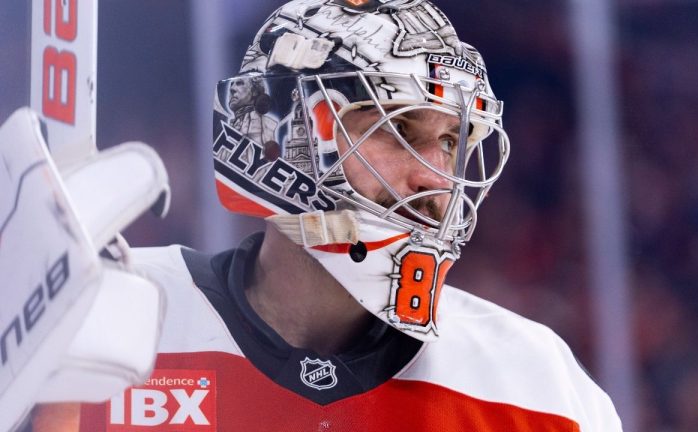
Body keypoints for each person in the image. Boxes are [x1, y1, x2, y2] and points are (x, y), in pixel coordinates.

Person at [32, 0, 622, 430]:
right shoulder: (107, 308)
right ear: (277, 135)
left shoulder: (539, 388)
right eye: (398, 130)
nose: (436, 178)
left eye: (449, 141)